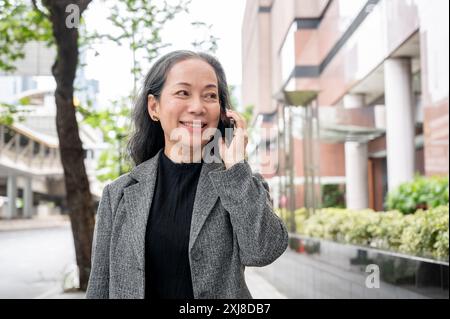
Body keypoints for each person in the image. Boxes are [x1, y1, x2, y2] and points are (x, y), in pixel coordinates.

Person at [86, 50, 288, 299]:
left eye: (210, 96)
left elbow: (263, 251)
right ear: (154, 107)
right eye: (183, 93)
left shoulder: (239, 183)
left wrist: (235, 166)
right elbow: (99, 288)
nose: (197, 107)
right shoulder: (117, 194)